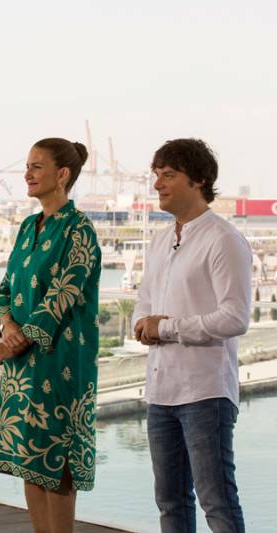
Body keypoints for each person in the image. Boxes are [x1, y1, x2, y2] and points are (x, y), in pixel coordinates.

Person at [0, 138, 100, 533]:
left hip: (62, 361)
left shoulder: (80, 230)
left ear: (62, 175)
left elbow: (62, 296)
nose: (27, 174)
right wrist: (8, 327)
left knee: (58, 464)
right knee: (31, 462)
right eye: (27, 166)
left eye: (36, 166)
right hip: (22, 366)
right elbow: (4, 290)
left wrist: (16, 339)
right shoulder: (28, 226)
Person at [132, 138, 250, 532]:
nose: (158, 185)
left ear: (198, 180)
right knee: (170, 502)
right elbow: (145, 301)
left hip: (205, 393)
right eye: (157, 176)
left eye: (168, 175)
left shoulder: (223, 239)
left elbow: (235, 317)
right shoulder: (162, 238)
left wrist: (165, 328)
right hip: (160, 390)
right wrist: (142, 324)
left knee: (217, 503)